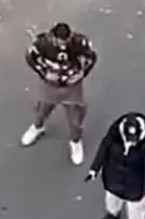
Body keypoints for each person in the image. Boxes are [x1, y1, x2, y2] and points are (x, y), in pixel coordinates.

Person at [22, 22, 99, 165]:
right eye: (60, 41)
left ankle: (75, 142)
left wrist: (82, 74)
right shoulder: (42, 43)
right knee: (42, 109)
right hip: (50, 84)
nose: (63, 44)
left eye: (66, 40)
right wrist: (43, 73)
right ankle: (38, 127)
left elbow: (92, 57)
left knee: (75, 119)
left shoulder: (79, 42)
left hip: (72, 87)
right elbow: (30, 56)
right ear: (54, 37)